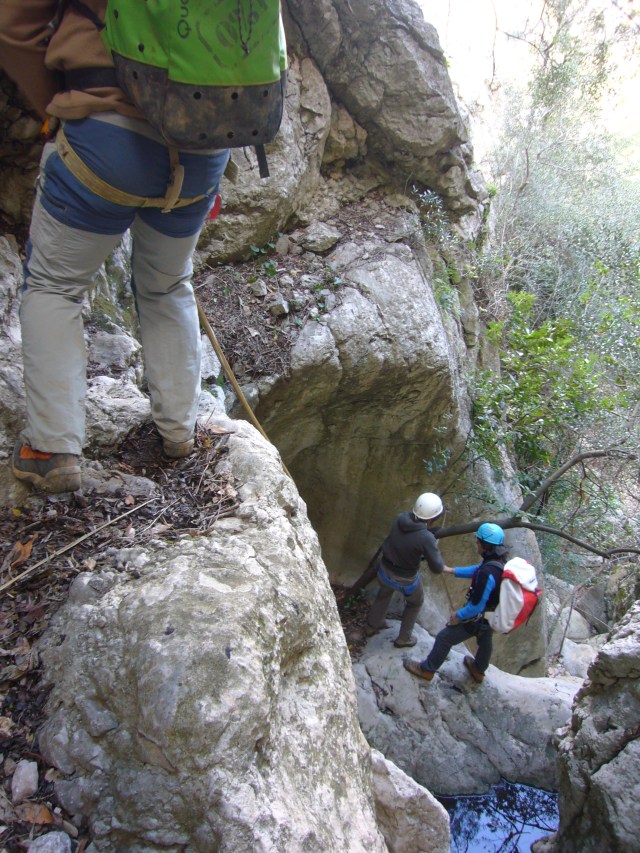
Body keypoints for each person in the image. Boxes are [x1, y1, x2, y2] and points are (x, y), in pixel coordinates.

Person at [0, 1, 231, 493]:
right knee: (169, 286)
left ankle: (52, 449)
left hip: (104, 132)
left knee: (54, 287)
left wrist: (63, 104)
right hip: (205, 146)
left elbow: (12, 24)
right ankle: (179, 433)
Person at [403, 522, 507, 683]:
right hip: (491, 615)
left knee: (445, 638)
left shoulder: (488, 572)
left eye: (478, 542)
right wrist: (452, 570)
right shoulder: (498, 563)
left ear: (485, 545)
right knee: (485, 639)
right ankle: (479, 669)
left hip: (478, 616)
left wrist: (458, 615)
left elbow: (477, 605)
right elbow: (478, 570)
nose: (477, 544)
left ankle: (427, 670)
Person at [366, 492, 446, 648]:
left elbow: (407, 539)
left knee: (384, 592)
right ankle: (404, 638)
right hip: (405, 579)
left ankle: (372, 625)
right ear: (432, 518)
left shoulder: (400, 519)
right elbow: (436, 567)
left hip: (384, 570)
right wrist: (430, 542)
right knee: (415, 603)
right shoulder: (426, 538)